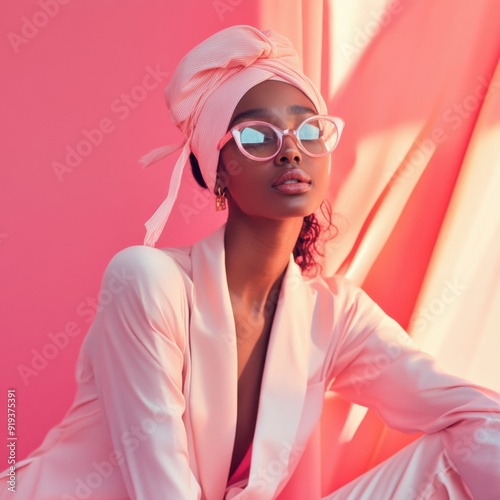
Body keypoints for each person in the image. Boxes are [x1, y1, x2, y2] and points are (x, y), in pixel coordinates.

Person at [1, 25, 499, 500]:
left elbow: (477, 413)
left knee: (468, 443)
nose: (290, 151)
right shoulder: (146, 281)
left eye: (310, 132)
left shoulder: (335, 315)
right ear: (218, 172)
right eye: (257, 138)